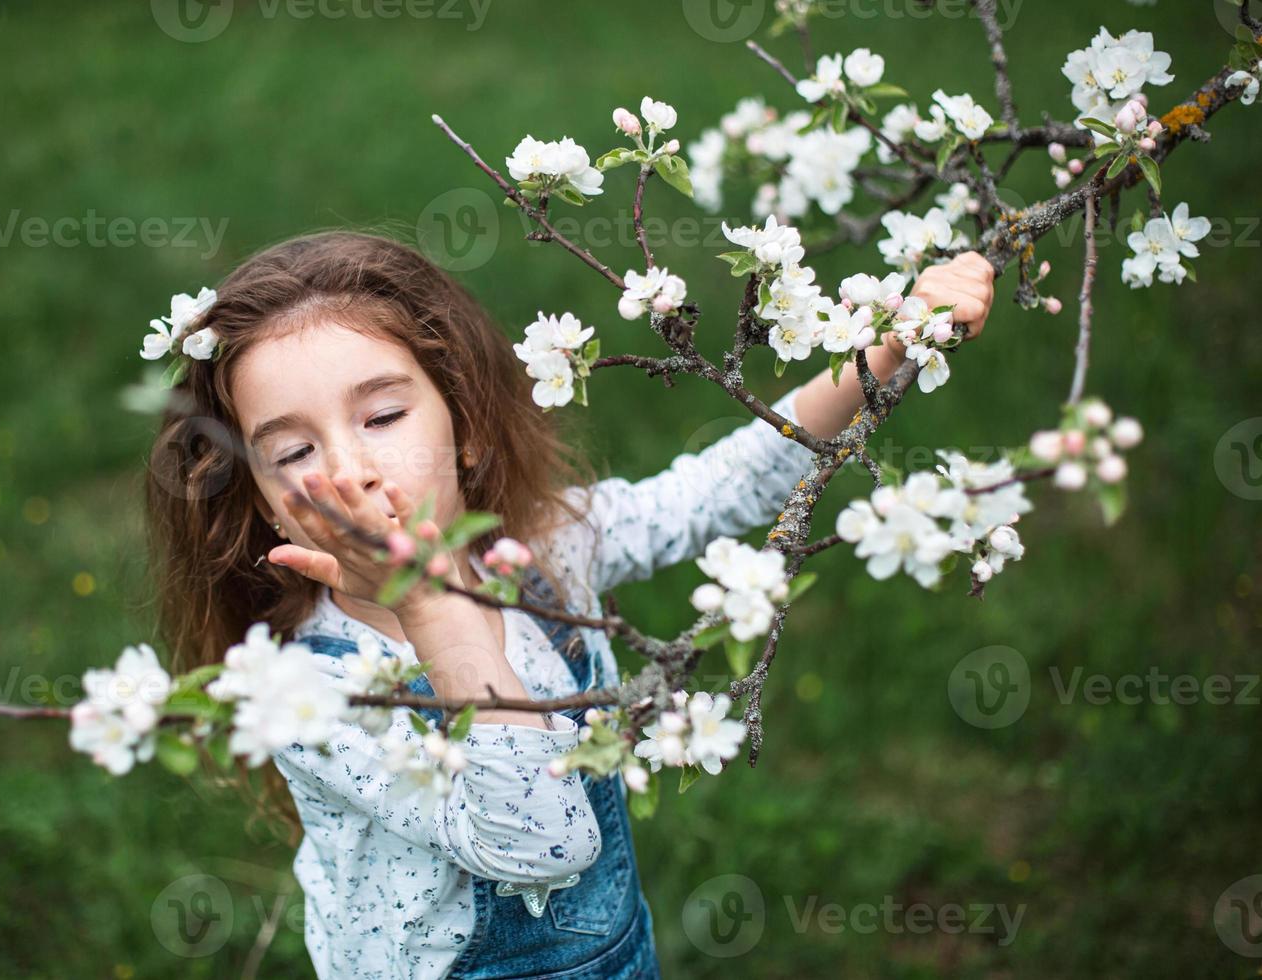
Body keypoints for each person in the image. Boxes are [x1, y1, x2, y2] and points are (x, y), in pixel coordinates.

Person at [144, 229, 995, 978]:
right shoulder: (313, 694)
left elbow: (718, 486)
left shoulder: (541, 555)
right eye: (292, 448)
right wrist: (426, 607)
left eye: (384, 416)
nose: (347, 470)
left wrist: (881, 354)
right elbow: (541, 843)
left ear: (466, 425)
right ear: (260, 498)